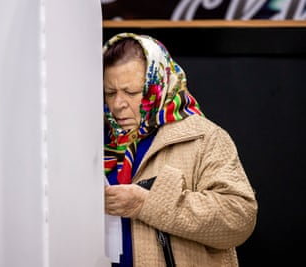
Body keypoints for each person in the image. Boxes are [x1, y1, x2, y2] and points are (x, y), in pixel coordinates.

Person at [103, 32, 258, 267]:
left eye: (132, 92)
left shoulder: (204, 137)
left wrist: (146, 203)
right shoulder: (93, 142)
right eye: (110, 92)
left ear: (158, 84)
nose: (117, 104)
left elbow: (239, 218)